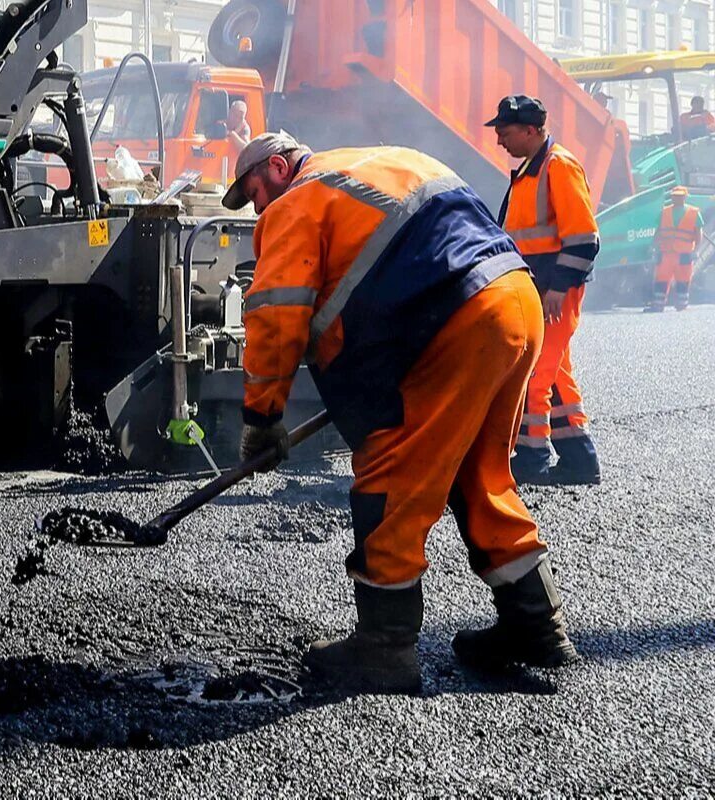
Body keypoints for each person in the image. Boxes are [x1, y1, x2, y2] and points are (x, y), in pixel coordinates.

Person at [226, 131, 580, 694]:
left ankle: (384, 647)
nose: (258, 208)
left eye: (254, 191)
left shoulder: (297, 200)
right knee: (479, 474)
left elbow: (276, 314)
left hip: (450, 323)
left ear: (276, 165)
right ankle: (535, 625)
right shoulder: (387, 157)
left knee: (389, 474)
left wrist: (263, 416)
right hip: (514, 302)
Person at [488, 95, 601, 486]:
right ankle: (580, 460)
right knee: (555, 376)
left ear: (531, 130)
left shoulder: (558, 166)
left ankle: (532, 457)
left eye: (505, 132)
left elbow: (585, 238)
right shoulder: (529, 172)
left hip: (553, 292)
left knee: (534, 373)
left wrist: (558, 288)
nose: (500, 140)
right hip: (538, 290)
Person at [649, 186, 703, 312]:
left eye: (679, 196)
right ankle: (658, 304)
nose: (677, 198)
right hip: (666, 252)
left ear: (684, 197)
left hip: (684, 253)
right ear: (672, 197)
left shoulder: (693, 213)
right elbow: (658, 231)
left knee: (683, 279)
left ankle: (681, 304)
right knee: (661, 278)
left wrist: (696, 250)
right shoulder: (665, 212)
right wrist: (653, 247)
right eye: (675, 196)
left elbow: (698, 233)